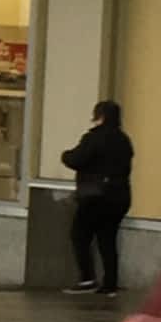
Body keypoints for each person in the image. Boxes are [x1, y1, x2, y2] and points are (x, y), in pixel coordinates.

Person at [62, 100, 134, 296]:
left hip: (96, 196)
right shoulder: (124, 140)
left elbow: (76, 159)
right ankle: (110, 284)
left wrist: (65, 155)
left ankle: (87, 279)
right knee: (107, 238)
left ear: (99, 116)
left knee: (79, 234)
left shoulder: (94, 138)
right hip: (120, 196)